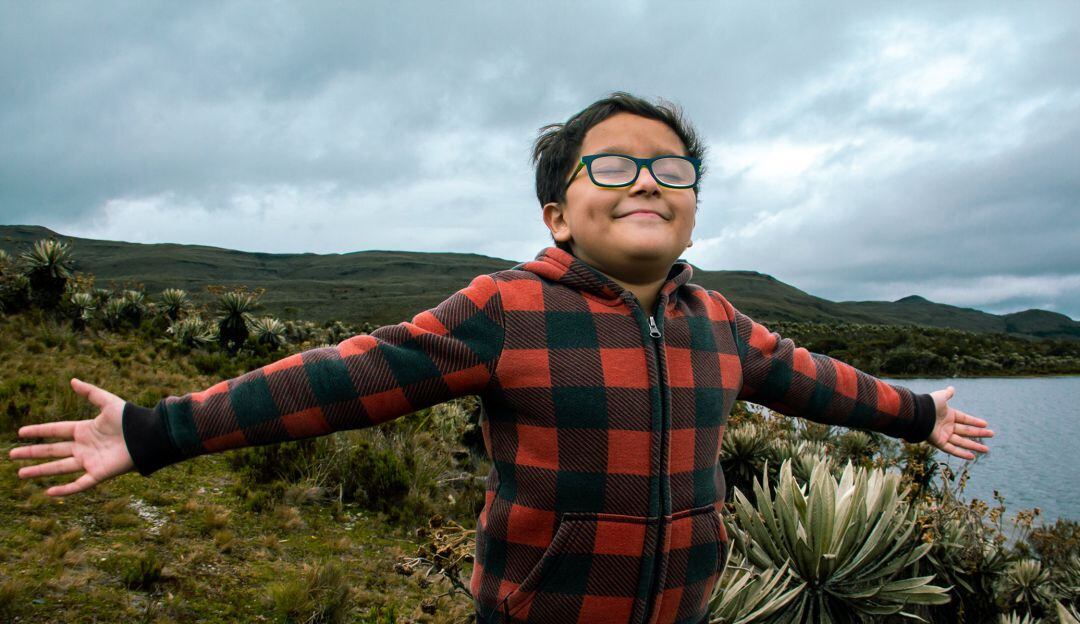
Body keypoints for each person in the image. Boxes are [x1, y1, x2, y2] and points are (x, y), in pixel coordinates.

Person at [9, 92, 994, 624]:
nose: (647, 178)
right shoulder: (508, 310)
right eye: (612, 163)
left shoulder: (721, 323)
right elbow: (342, 379)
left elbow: (820, 382)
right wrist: (155, 430)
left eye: (672, 167)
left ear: (693, 201)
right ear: (558, 211)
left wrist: (919, 415)